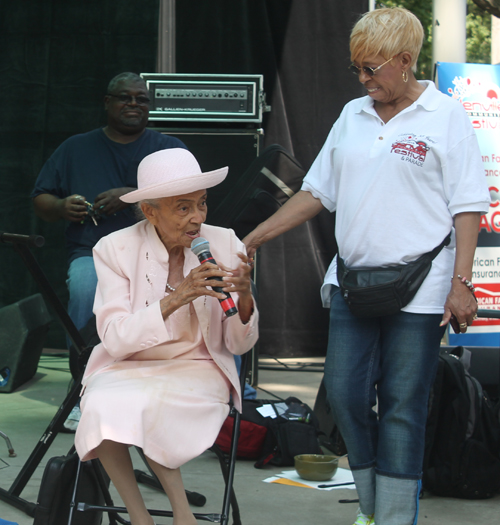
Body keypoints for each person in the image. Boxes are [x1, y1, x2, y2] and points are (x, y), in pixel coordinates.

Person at [243, 8, 489, 525]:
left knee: (403, 403)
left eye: (371, 68)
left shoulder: (447, 117)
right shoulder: (352, 115)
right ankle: (376, 506)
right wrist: (255, 238)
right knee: (347, 396)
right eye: (357, 69)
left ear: (404, 61)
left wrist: (462, 284)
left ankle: (392, 517)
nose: (362, 79)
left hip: (421, 288)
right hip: (353, 282)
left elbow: (468, 207)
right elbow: (317, 192)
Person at [74, 147, 258, 525]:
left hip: (199, 366)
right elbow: (115, 339)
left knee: (149, 404)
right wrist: (179, 297)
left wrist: (245, 300)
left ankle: (182, 514)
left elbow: (240, 345)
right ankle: (141, 517)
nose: (197, 219)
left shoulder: (224, 243)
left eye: (201, 204)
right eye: (183, 208)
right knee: (101, 406)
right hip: (130, 363)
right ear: (150, 211)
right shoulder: (114, 249)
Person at [31, 72, 186, 429]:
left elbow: (187, 199)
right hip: (93, 252)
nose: (133, 104)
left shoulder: (168, 147)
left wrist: (129, 194)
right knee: (85, 289)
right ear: (107, 102)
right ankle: (83, 389)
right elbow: (40, 198)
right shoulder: (76, 148)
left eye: (141, 99)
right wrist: (60, 207)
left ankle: (165, 395)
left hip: (158, 254)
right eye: (124, 98)